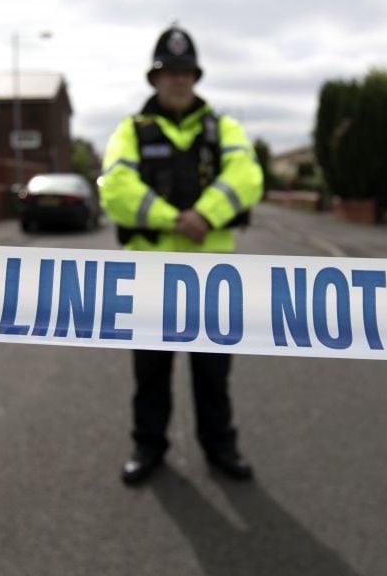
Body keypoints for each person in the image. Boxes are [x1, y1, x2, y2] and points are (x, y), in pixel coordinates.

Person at [99, 25, 264, 486]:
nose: (177, 79)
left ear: (196, 77)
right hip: (150, 277)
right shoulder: (131, 131)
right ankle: (148, 446)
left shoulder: (223, 128)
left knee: (214, 373)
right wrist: (176, 220)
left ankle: (220, 445)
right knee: (151, 372)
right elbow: (115, 188)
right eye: (169, 72)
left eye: (185, 72)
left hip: (212, 277)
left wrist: (206, 215)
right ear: (155, 78)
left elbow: (248, 176)